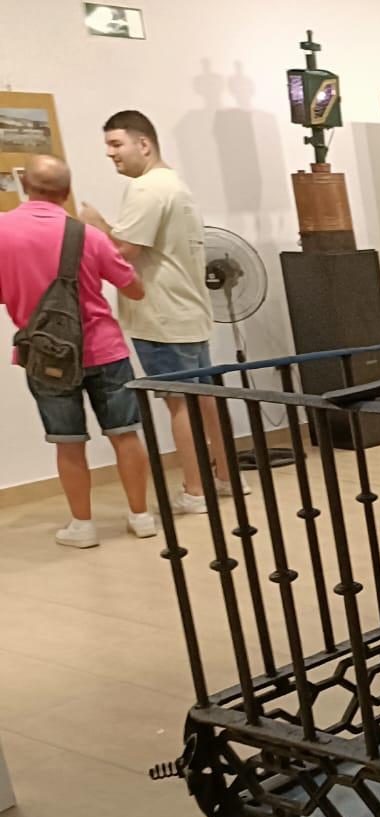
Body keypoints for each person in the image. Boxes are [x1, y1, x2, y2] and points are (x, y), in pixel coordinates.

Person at [81, 109, 237, 514]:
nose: (110, 153)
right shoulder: (175, 184)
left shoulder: (147, 189)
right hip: (188, 310)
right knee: (206, 397)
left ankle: (195, 491)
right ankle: (225, 478)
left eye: (116, 144)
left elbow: (124, 251)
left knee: (179, 402)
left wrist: (96, 224)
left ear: (144, 144)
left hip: (162, 316)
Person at [0, 155, 155, 548]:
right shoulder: (88, 235)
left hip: (45, 356)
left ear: (25, 186)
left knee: (67, 442)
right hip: (105, 350)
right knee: (125, 435)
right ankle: (141, 517)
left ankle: (82, 527)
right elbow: (135, 289)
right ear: (67, 191)